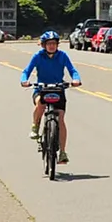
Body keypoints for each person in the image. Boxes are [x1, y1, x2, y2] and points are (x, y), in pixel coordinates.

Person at [20, 31, 80, 163]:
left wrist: (76, 79)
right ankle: (35, 126)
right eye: (49, 44)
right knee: (40, 105)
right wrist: (24, 80)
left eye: (54, 43)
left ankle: (63, 152)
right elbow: (26, 71)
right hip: (41, 88)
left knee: (61, 118)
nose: (52, 46)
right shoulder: (38, 56)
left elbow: (73, 70)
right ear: (43, 45)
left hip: (58, 89)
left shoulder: (62, 56)